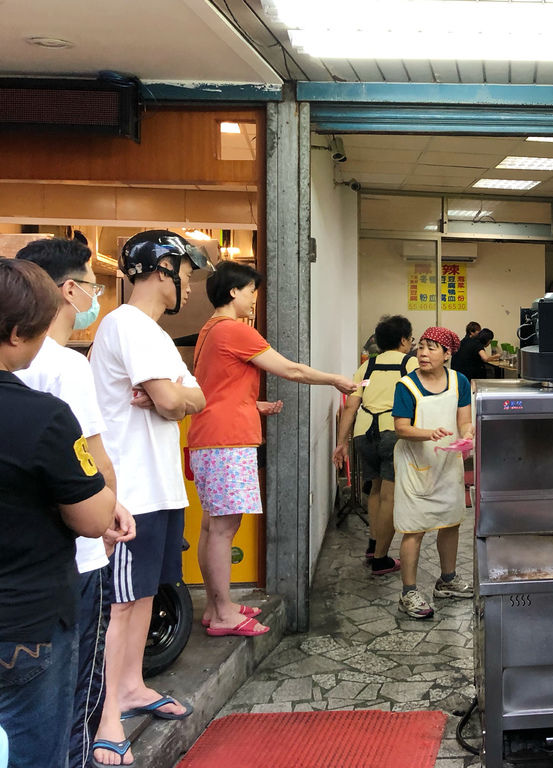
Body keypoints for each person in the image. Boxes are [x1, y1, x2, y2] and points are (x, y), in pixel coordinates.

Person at [89, 230, 210, 766]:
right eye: (185, 271)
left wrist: (173, 399)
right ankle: (108, 714)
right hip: (130, 492)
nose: (188, 282)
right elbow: (168, 399)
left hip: (159, 486)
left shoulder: (155, 334)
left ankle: (134, 687)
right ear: (163, 268)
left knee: (144, 596)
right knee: (121, 604)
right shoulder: (128, 325)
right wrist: (172, 398)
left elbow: (193, 397)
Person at [14, 238, 136, 768]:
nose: (94, 297)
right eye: (91, 285)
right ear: (66, 290)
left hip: (18, 567)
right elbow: (94, 458)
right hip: (69, 564)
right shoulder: (64, 367)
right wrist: (110, 509)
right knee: (71, 704)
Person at [188, 261, 356, 636]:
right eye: (251, 292)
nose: (253, 300)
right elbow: (292, 370)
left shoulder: (209, 330)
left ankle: (219, 605)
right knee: (223, 529)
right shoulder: (233, 330)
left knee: (212, 527)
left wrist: (253, 405)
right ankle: (221, 615)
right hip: (226, 441)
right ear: (233, 292)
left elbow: (216, 388)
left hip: (212, 436)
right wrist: (334, 379)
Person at [392, 327, 474, 619]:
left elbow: (464, 420)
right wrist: (429, 433)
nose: (423, 353)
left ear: (448, 354)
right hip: (415, 464)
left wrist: (467, 434)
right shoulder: (407, 385)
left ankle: (447, 580)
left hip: (447, 463)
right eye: (421, 347)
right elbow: (401, 427)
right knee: (414, 527)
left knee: (450, 522)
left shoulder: (458, 381)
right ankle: (409, 592)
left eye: (431, 348)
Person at [333, 315, 415, 575]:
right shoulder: (410, 363)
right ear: (403, 340)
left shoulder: (367, 366)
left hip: (363, 434)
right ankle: (380, 558)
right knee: (391, 496)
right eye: (411, 339)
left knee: (375, 491)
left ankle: (372, 544)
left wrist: (341, 443)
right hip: (393, 432)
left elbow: (350, 405)